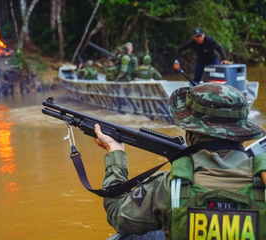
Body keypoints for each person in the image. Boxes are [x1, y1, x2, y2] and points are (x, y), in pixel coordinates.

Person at [93, 83, 266, 239]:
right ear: (241, 132)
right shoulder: (263, 179)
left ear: (190, 132)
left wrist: (115, 153)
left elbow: (117, 213)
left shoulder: (169, 186)